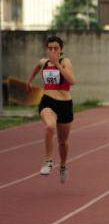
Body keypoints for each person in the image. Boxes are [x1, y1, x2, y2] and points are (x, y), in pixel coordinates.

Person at [26, 36, 76, 183]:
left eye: (56, 48)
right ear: (47, 49)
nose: (53, 51)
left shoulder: (65, 62)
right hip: (48, 101)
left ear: (61, 50)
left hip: (65, 105)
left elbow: (72, 81)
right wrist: (29, 81)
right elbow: (37, 67)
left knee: (63, 142)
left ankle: (63, 165)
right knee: (49, 126)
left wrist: (57, 65)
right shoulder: (44, 62)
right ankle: (48, 160)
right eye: (50, 48)